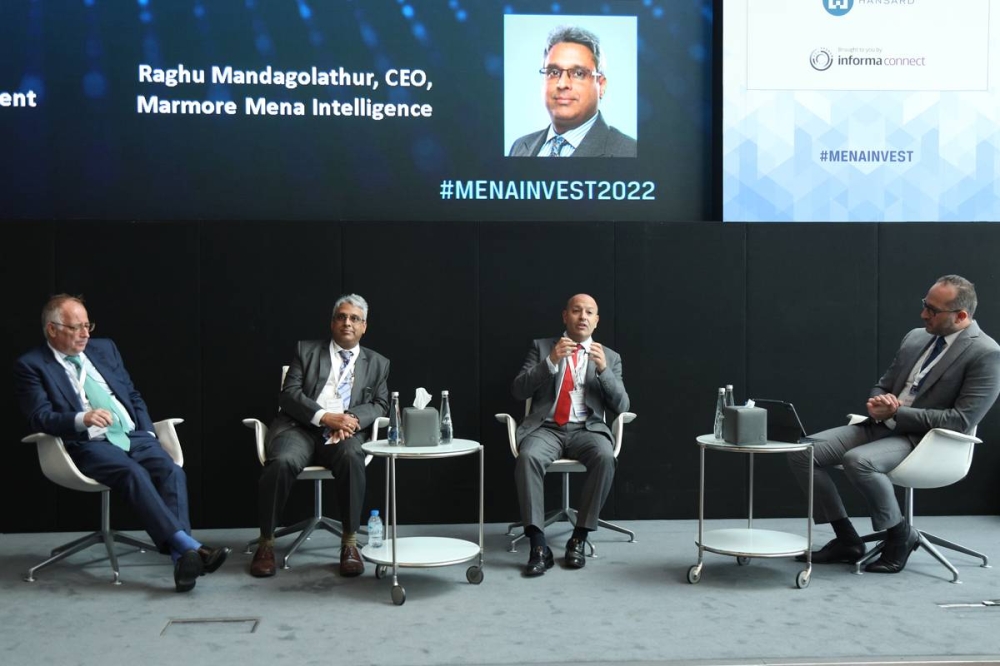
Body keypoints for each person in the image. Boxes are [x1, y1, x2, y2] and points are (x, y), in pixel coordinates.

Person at [14, 294, 229, 592]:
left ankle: (184, 557)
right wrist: (82, 418)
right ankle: (190, 548)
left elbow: (132, 394)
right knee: (133, 473)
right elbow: (40, 417)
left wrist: (148, 433)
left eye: (87, 325)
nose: (85, 334)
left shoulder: (105, 349)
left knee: (171, 471)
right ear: (52, 329)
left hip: (133, 435)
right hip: (89, 443)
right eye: (76, 327)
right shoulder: (32, 365)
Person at [789, 275, 1000, 574]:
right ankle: (847, 540)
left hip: (924, 440)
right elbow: (883, 384)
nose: (923, 314)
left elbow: (961, 420)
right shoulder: (915, 338)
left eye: (933, 310)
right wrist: (879, 401)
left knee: (858, 461)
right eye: (925, 304)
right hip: (880, 425)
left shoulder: (986, 353)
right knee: (802, 452)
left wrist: (897, 412)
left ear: (961, 316)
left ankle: (900, 536)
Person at [252, 294, 389, 578]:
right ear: (332, 323)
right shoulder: (306, 351)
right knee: (282, 461)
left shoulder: (378, 363)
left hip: (343, 433)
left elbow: (380, 404)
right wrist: (325, 417)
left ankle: (349, 543)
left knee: (352, 456)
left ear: (364, 326)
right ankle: (266, 543)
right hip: (299, 427)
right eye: (342, 317)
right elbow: (289, 395)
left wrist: (351, 419)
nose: (347, 323)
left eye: (354, 318)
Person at [511, 294, 630, 576]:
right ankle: (538, 545)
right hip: (547, 428)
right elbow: (518, 390)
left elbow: (622, 405)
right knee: (528, 457)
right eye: (577, 311)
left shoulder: (610, 356)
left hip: (587, 429)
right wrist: (550, 361)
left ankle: (579, 537)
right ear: (565, 316)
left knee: (605, 457)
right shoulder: (542, 347)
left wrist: (603, 370)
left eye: (589, 312)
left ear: (596, 321)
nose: (583, 317)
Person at [508, 26, 637, 158]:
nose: (562, 84)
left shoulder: (630, 152)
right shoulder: (519, 147)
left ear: (601, 85)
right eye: (554, 72)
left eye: (579, 73)